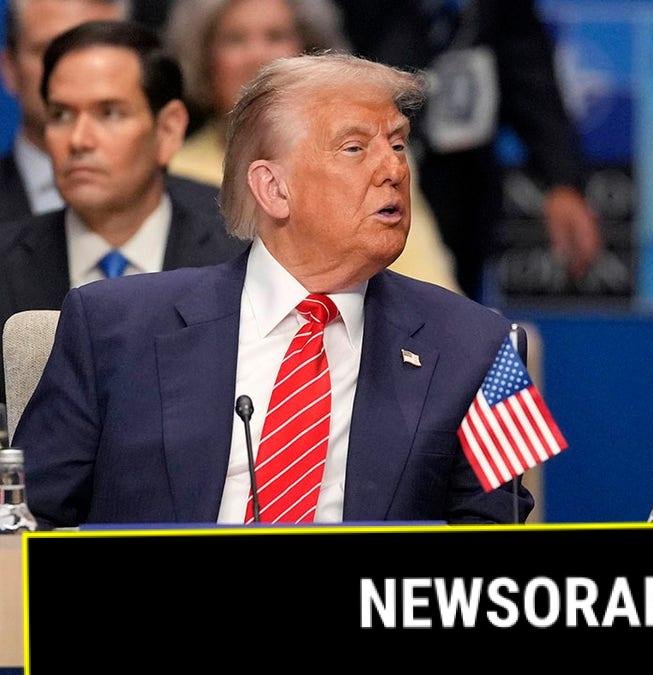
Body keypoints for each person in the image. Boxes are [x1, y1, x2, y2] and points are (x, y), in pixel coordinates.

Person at [18, 52, 532, 527]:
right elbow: (25, 522)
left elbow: (499, 548)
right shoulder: (107, 324)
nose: (393, 169)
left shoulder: (486, 343)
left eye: (397, 144)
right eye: (355, 148)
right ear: (273, 188)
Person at [0, 20, 243, 400]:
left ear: (167, 130)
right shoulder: (6, 264)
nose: (79, 140)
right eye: (61, 115)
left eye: (109, 113)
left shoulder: (238, 261)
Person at [163, 0, 461, 292]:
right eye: (235, 39)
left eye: (276, 36)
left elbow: (431, 285)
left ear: (309, 52)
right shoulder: (172, 169)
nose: (257, 55)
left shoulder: (378, 155)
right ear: (204, 57)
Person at [335, 0, 602, 298]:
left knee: (453, 314)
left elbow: (528, 72)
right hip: (367, 173)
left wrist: (562, 181)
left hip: (464, 186)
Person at [0, 0, 126, 220]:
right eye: (51, 51)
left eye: (95, 52)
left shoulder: (198, 208)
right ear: (10, 68)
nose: (74, 72)